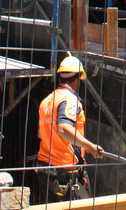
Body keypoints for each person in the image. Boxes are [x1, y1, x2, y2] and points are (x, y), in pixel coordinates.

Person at [35, 55, 103, 202]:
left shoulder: (47, 101)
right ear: (78, 78)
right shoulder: (70, 100)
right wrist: (90, 146)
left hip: (46, 169)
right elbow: (63, 128)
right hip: (65, 171)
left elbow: (41, 134)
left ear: (60, 76)